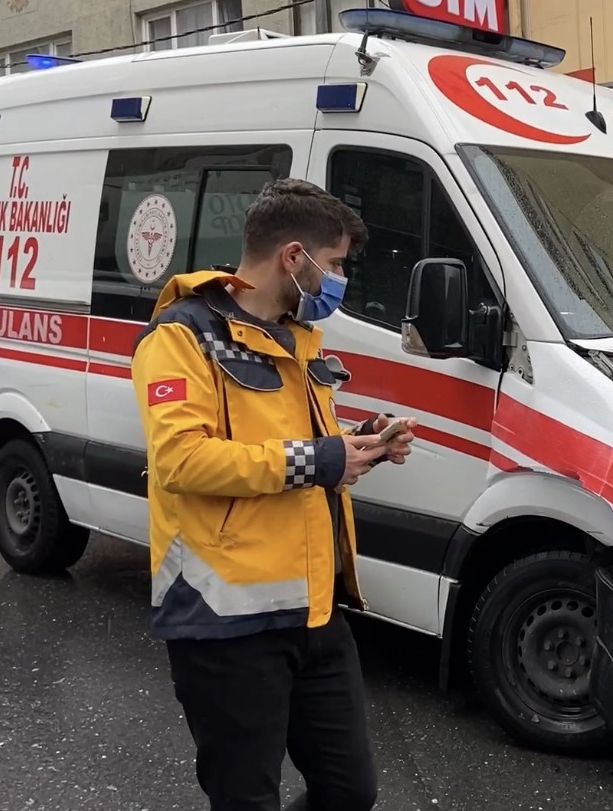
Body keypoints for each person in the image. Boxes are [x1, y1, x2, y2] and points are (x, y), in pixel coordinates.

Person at [130, 178, 414, 811]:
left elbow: (284, 447)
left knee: (349, 791)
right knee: (246, 800)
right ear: (294, 257)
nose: (340, 279)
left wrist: (358, 442)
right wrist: (323, 458)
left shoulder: (296, 337)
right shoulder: (181, 337)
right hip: (224, 616)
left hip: (314, 612)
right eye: (335, 264)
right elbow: (182, 459)